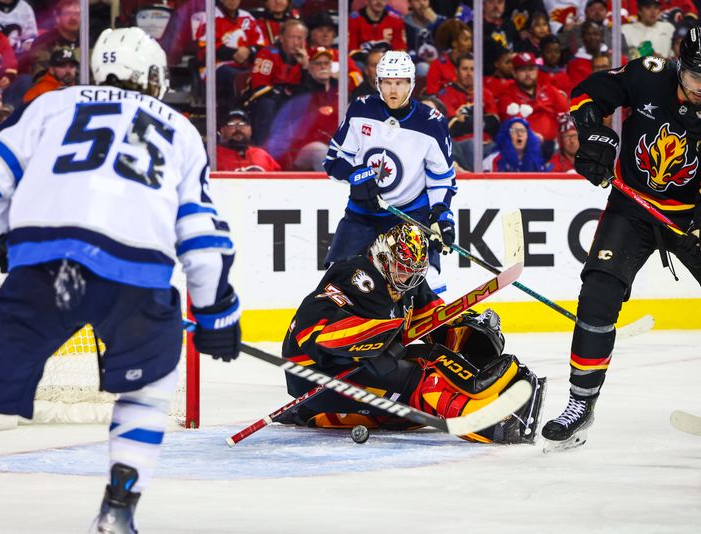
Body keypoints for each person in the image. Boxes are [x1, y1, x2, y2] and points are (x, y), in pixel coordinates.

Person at [0, 27, 241, 532]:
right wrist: (217, 315)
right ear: (152, 77)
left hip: (44, 272)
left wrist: (12, 237)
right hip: (137, 282)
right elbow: (202, 239)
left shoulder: (52, 104)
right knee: (148, 393)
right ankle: (117, 511)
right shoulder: (180, 128)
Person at [541, 27, 701, 451]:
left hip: (691, 216)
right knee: (598, 292)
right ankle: (580, 403)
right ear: (679, 67)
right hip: (632, 209)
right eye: (695, 78)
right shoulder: (650, 75)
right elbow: (585, 93)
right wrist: (594, 133)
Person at [278, 222, 546, 444]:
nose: (407, 278)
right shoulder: (357, 276)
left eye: (414, 272)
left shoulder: (407, 279)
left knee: (415, 394)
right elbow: (312, 330)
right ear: (383, 257)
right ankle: (491, 424)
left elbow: (434, 323)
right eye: (402, 269)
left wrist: (468, 332)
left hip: (356, 368)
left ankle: (493, 396)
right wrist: (371, 341)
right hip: (318, 375)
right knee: (417, 375)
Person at [322, 51, 456, 293]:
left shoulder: (432, 123)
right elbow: (333, 160)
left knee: (428, 281)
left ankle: (425, 325)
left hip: (410, 216)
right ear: (378, 82)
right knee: (337, 280)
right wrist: (356, 175)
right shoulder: (361, 109)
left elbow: (442, 179)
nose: (393, 90)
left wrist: (441, 213)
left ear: (411, 84)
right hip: (361, 215)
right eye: (387, 82)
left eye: (400, 83)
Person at [498, 51, 569, 159]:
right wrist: (532, 137)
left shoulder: (549, 90)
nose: (528, 74)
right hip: (525, 149)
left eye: (531, 69)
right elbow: (513, 124)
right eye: (523, 70)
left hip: (557, 146)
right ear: (514, 72)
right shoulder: (507, 95)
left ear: (537, 70)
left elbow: (566, 114)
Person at [437, 53, 499, 170]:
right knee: (472, 145)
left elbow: (494, 123)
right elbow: (453, 127)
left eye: (472, 69)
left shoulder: (485, 93)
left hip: (486, 144)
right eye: (465, 69)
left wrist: (466, 121)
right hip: (459, 146)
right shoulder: (446, 94)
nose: (469, 73)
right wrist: (482, 122)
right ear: (456, 71)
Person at [20, 0, 80, 80]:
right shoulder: (43, 43)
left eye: (77, 14)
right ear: (57, 17)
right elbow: (41, 78)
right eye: (68, 13)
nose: (73, 18)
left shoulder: (89, 42)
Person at [217, 108, 282, 171]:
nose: (238, 129)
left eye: (242, 124)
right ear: (222, 130)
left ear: (250, 130)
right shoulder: (214, 157)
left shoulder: (262, 155)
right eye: (231, 125)